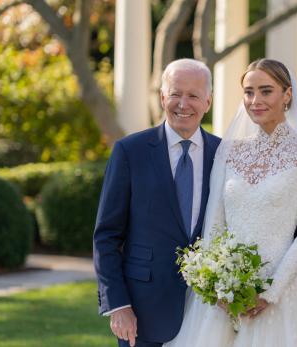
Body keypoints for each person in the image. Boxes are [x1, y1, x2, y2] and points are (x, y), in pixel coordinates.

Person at [165, 58, 297, 346]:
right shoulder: (229, 152)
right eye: (248, 92)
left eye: (266, 91)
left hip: (283, 292)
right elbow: (215, 223)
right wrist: (217, 283)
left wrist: (270, 291)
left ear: (287, 95)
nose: (255, 100)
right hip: (224, 295)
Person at [93, 59, 221, 347]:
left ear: (208, 102)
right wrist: (118, 305)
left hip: (209, 311)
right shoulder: (130, 151)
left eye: (193, 95)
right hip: (142, 309)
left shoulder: (223, 154)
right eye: (175, 93)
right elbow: (107, 236)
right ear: (163, 97)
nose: (183, 104)